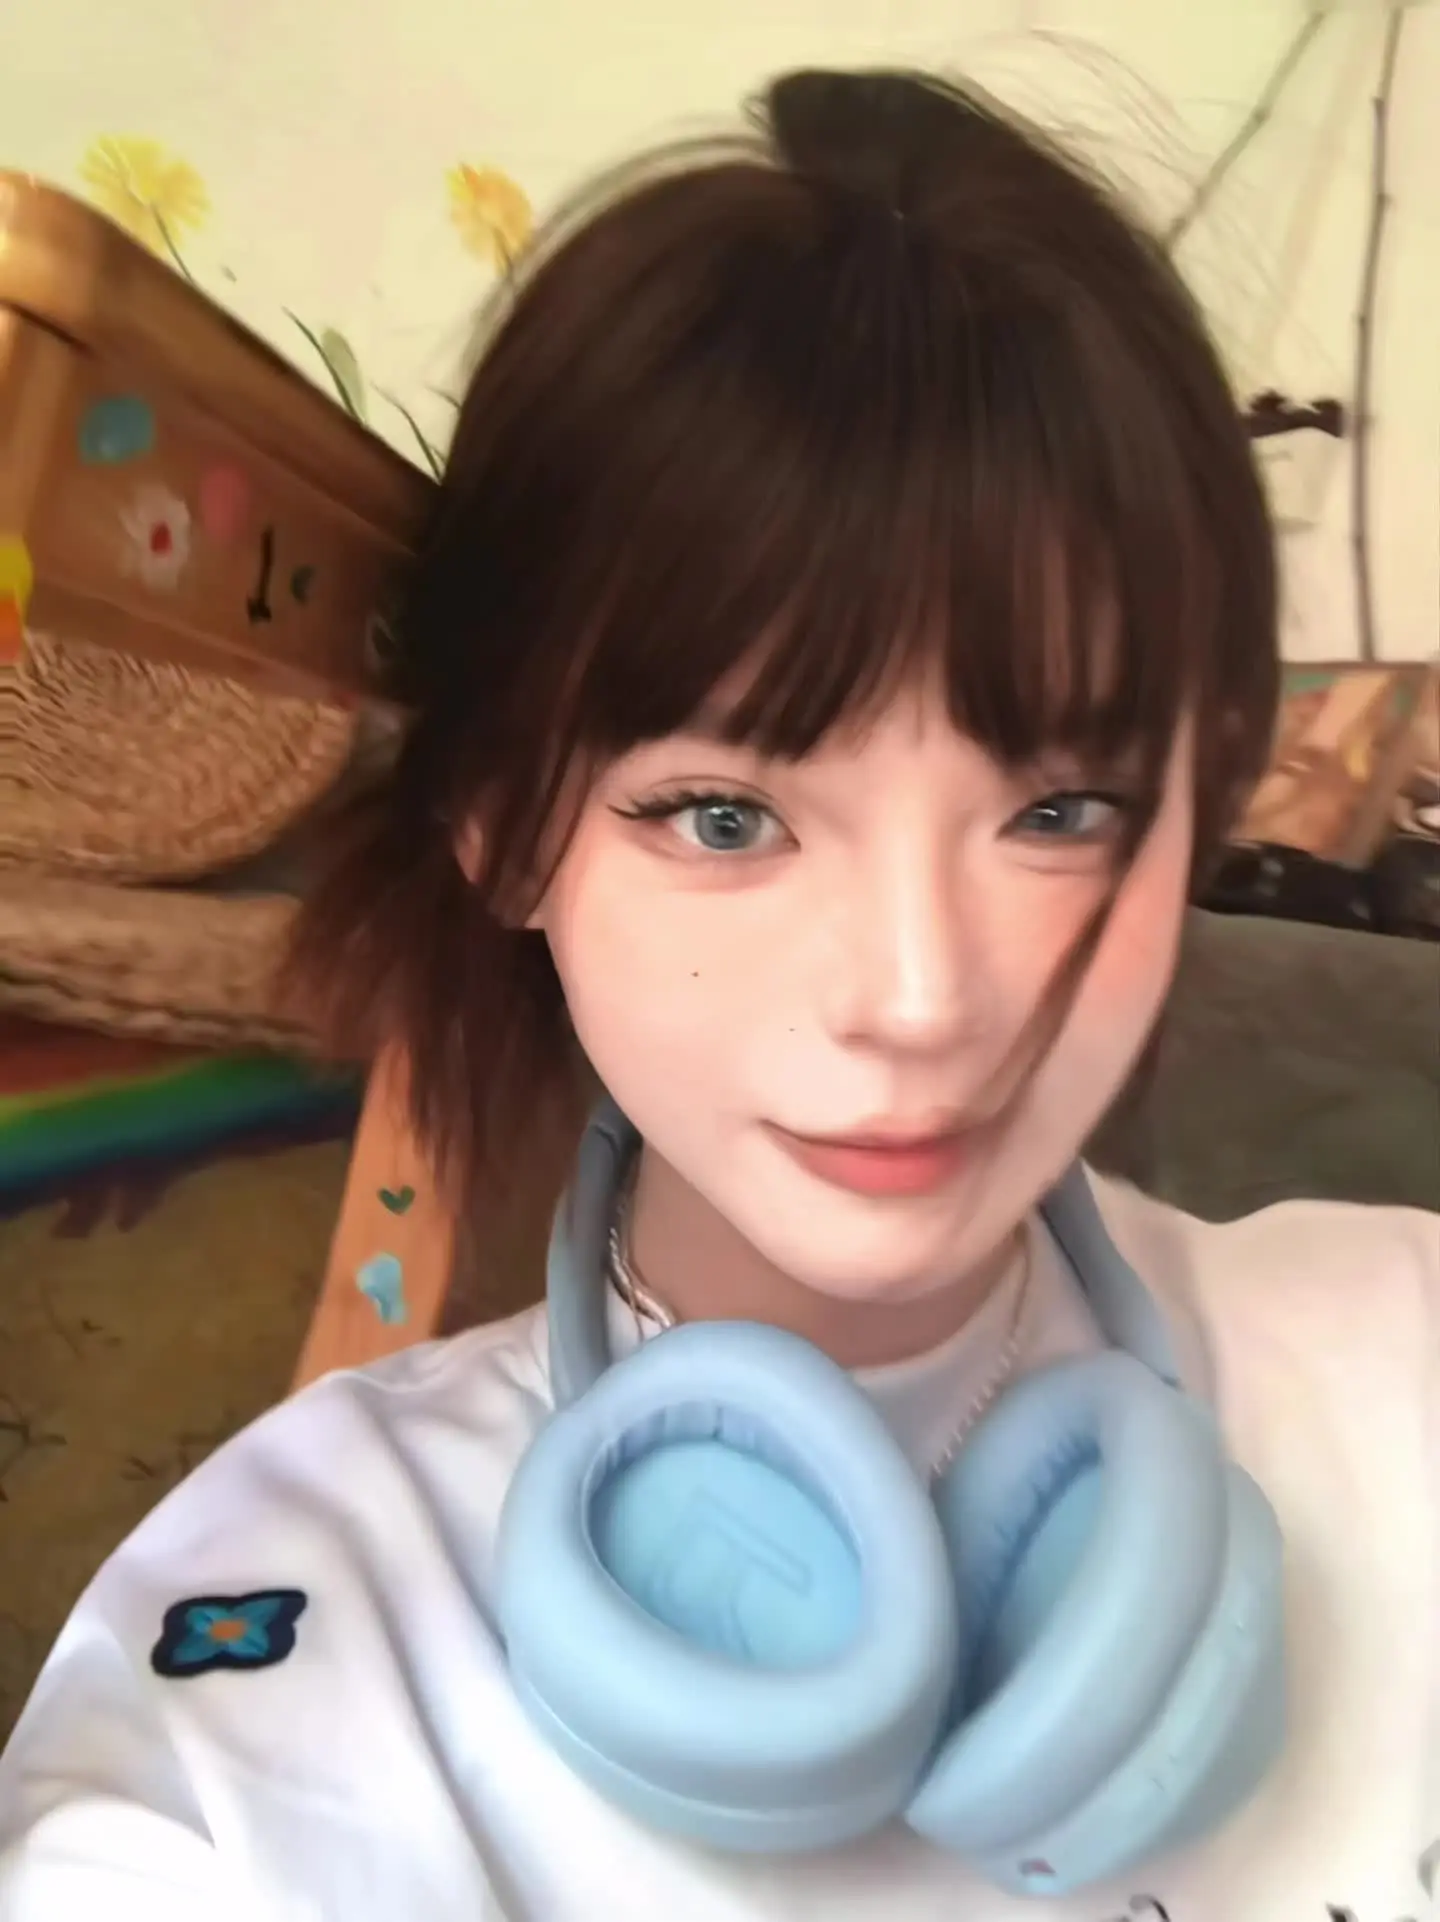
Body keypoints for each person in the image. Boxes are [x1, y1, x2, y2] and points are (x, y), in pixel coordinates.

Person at [1, 67, 1435, 1922]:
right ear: (504, 824)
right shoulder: (280, 1654)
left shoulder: (1402, 1352)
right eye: (727, 815)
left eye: (1062, 809)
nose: (920, 997)